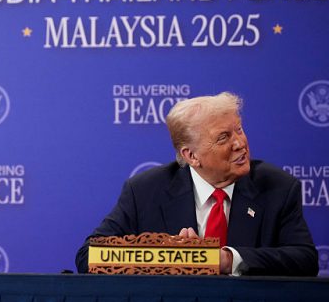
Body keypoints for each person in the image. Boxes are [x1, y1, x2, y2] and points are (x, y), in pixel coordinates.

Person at [75, 92, 318, 276]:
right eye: (223, 137)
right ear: (191, 156)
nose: (239, 143)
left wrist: (228, 260)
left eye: (239, 130)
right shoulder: (145, 191)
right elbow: (89, 256)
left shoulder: (277, 187)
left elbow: (305, 259)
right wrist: (171, 256)